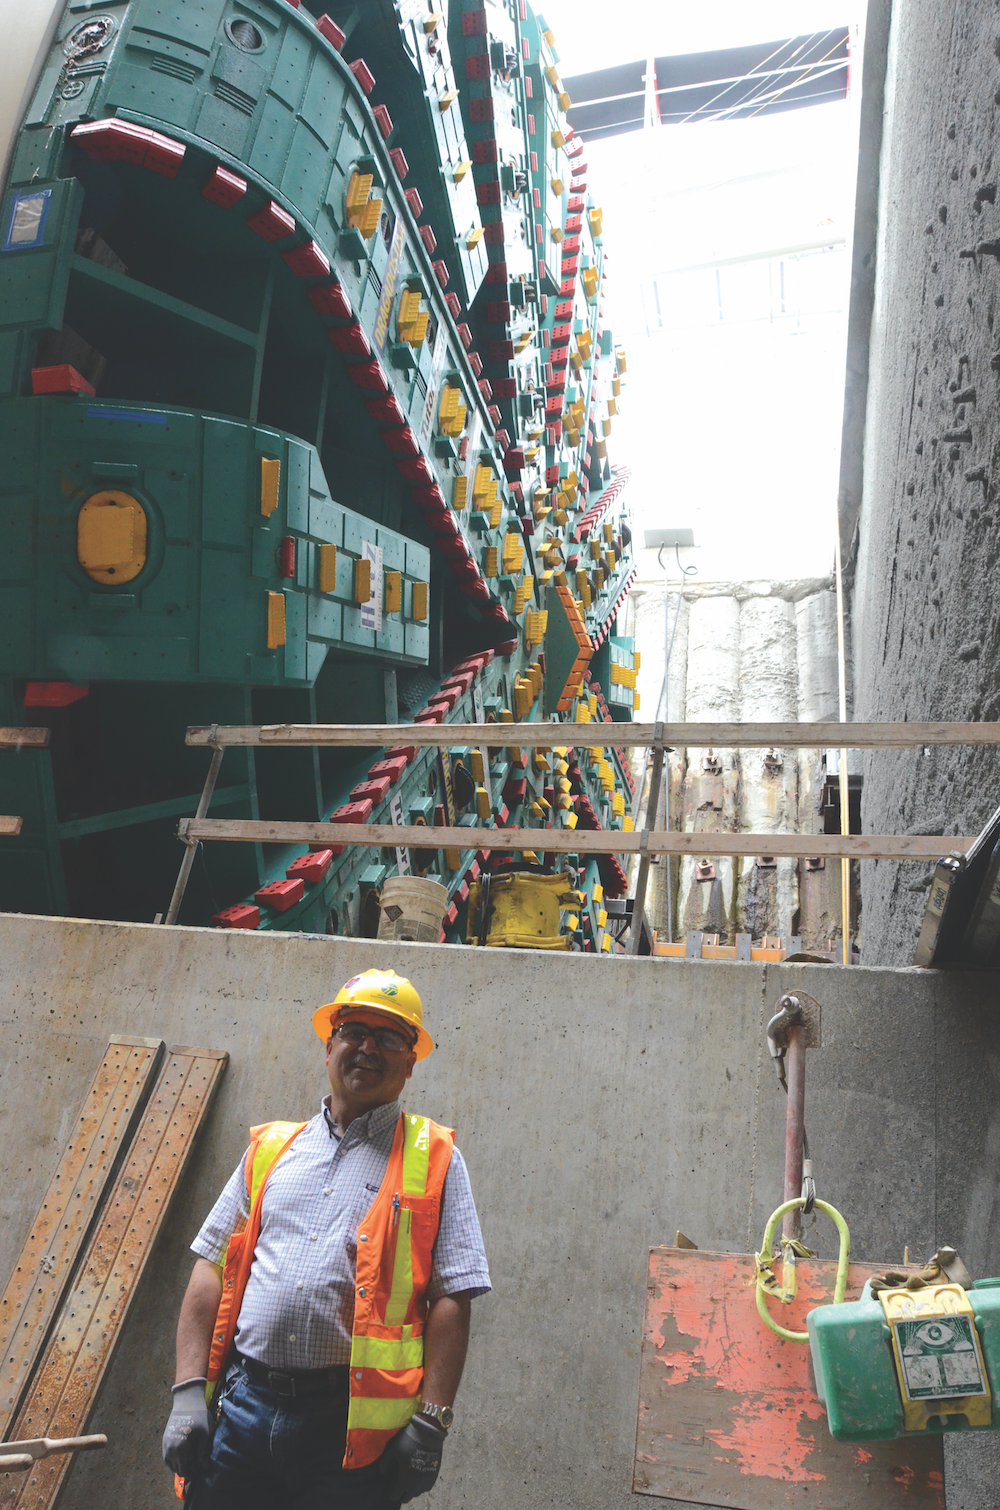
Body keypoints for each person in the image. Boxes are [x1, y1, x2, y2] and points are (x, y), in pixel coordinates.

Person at [162, 968, 490, 1508]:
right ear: (329, 1047)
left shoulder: (435, 1159)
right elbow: (211, 1266)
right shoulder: (271, 1149)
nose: (368, 1047)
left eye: (388, 1038)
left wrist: (432, 1423)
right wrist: (187, 1391)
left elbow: (453, 1296)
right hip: (243, 1409)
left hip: (351, 1433)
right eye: (354, 1031)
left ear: (411, 1063)